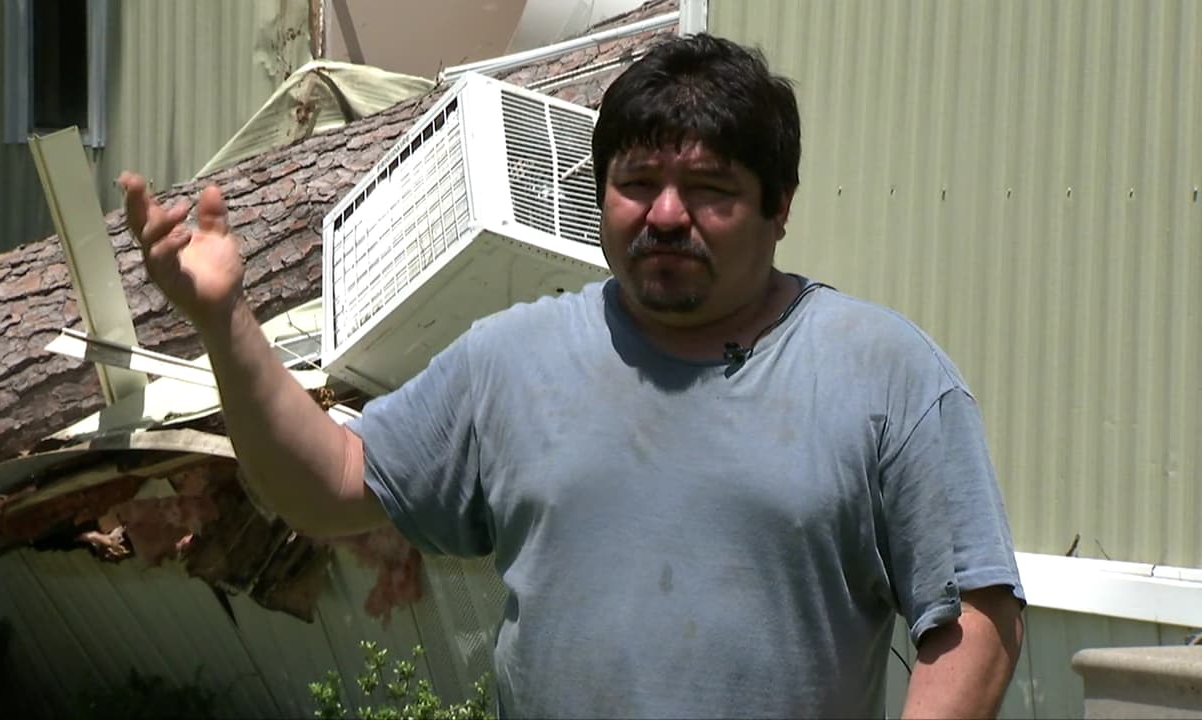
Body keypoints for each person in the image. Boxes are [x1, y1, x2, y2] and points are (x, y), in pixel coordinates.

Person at [121, 34, 1024, 719]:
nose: (666, 215)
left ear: (778, 207)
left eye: (711, 189)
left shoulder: (883, 374)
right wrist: (224, 322)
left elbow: (977, 614)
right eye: (636, 182)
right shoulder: (513, 359)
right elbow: (329, 489)